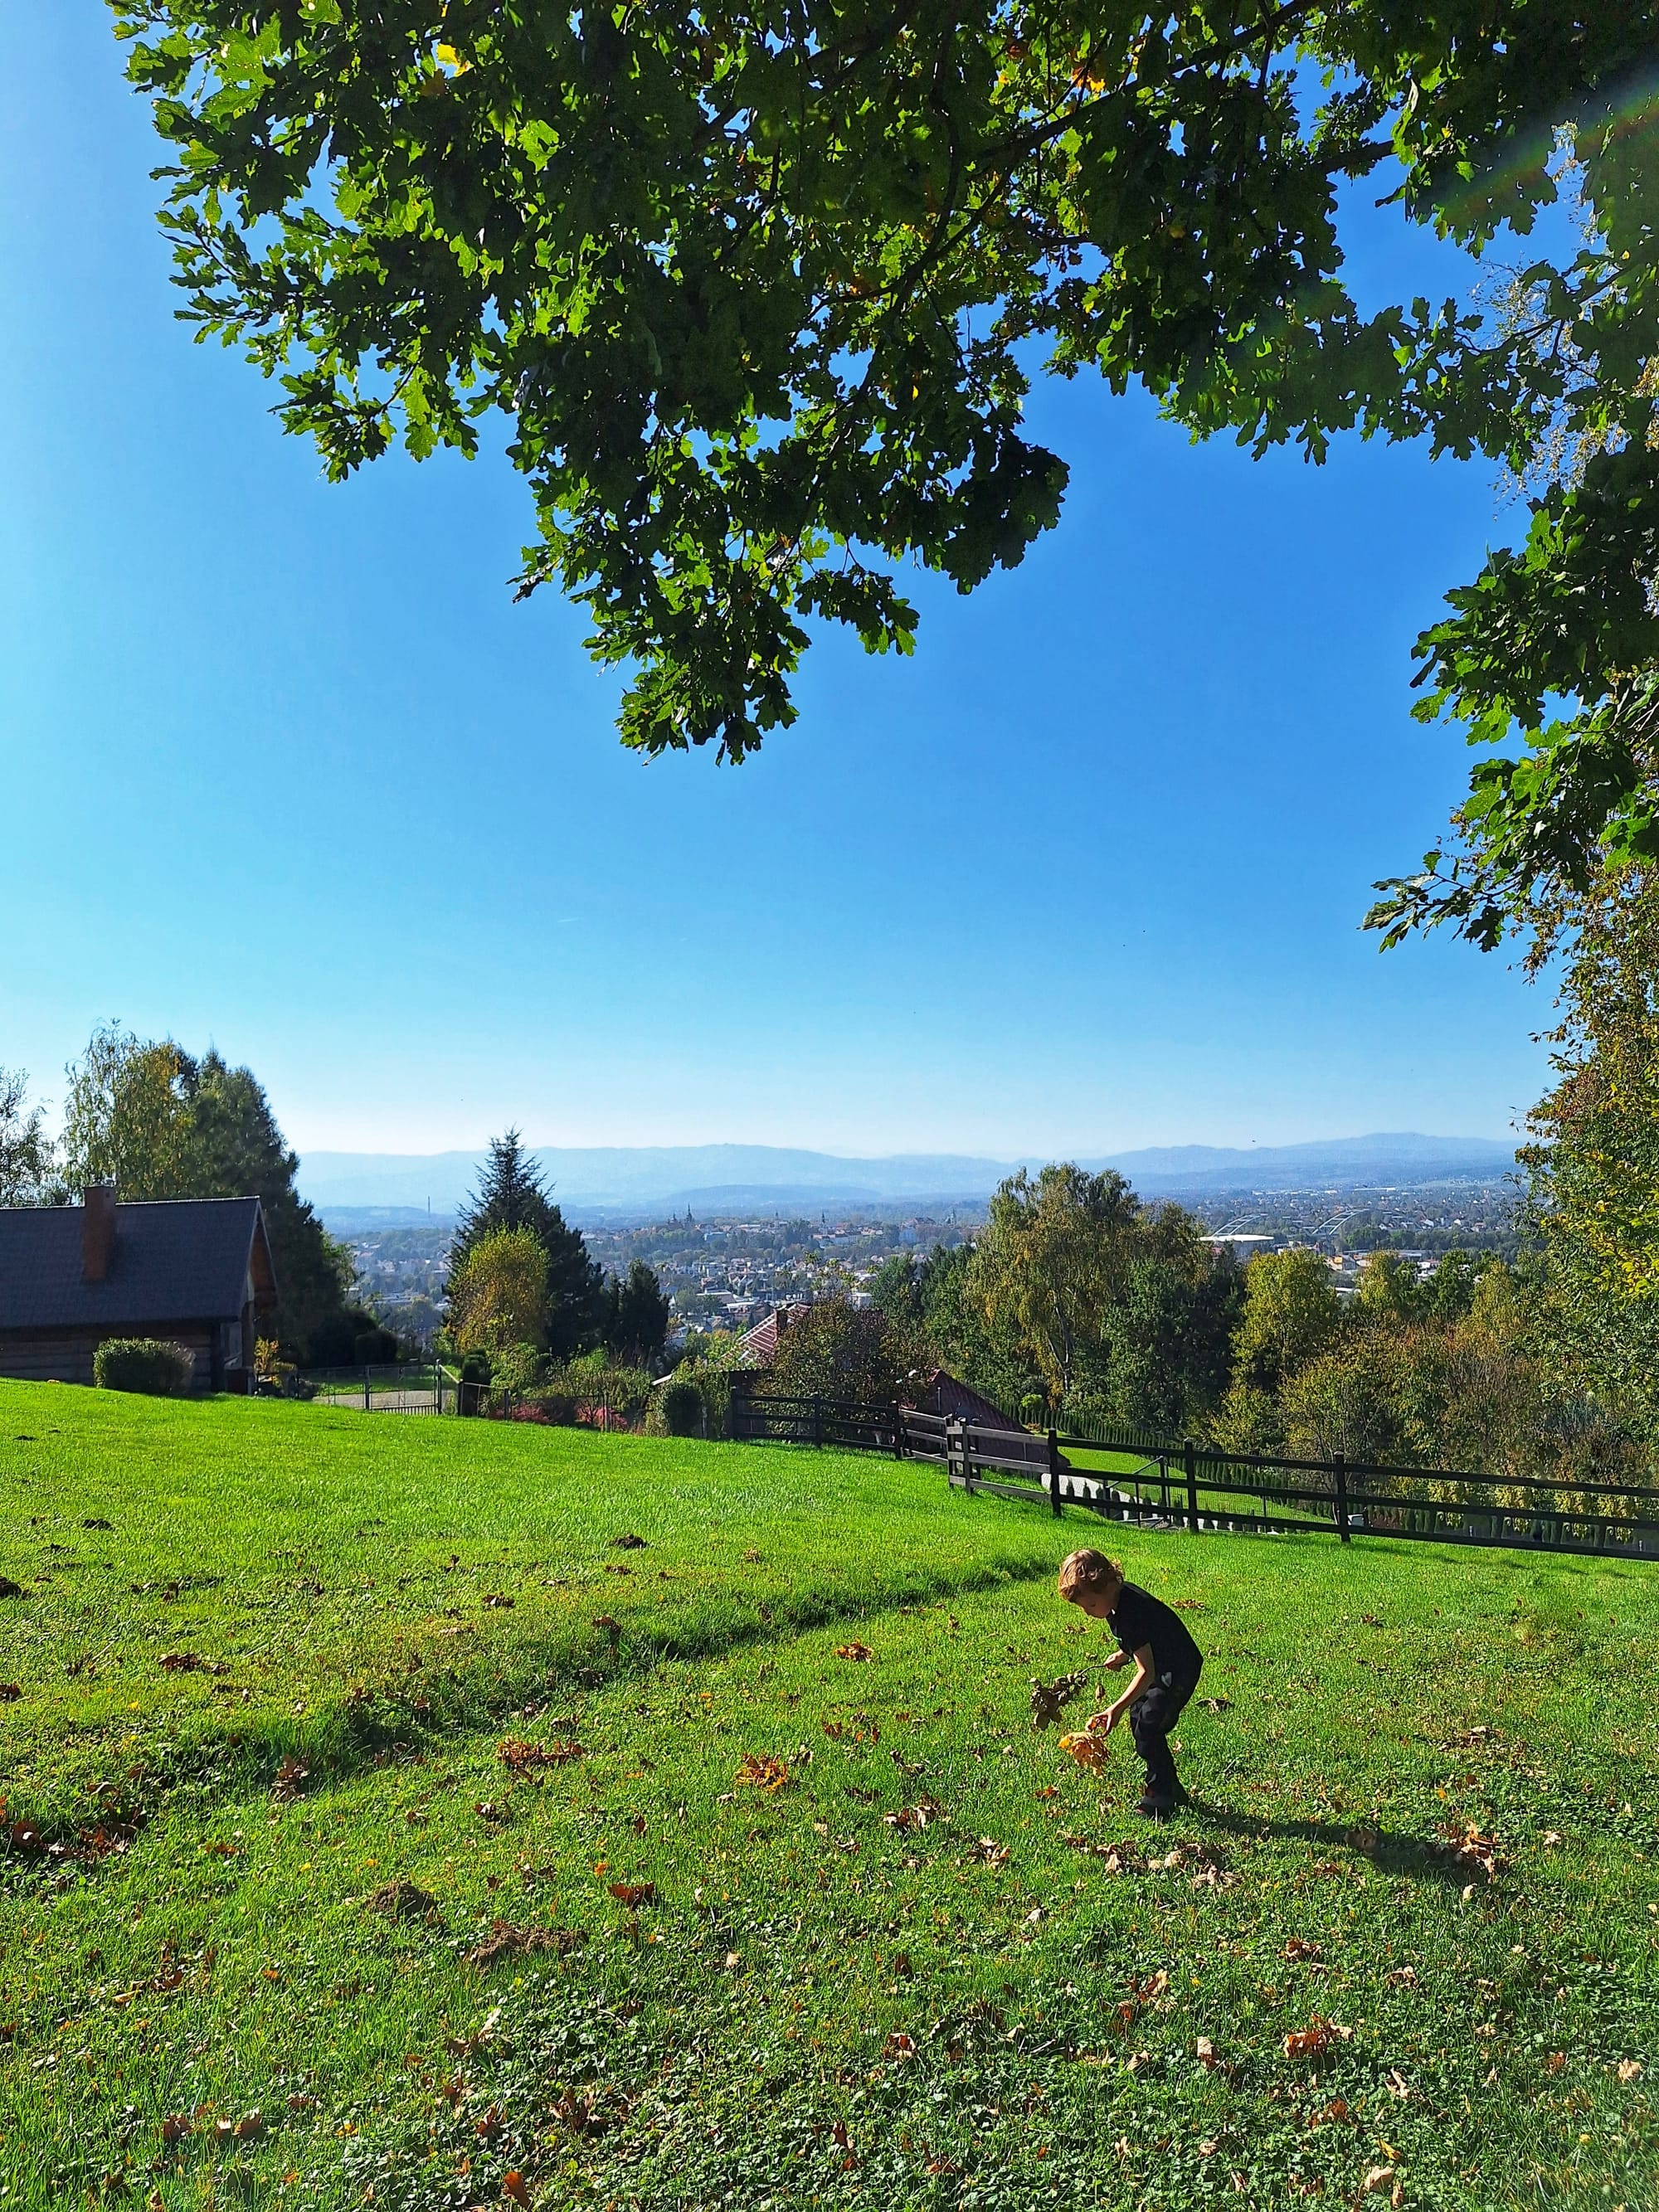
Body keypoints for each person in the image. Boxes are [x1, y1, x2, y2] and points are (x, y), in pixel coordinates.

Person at [1057, 1549, 1204, 1817]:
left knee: (1149, 1726)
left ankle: (1160, 1796)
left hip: (1179, 1669)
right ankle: (1170, 1785)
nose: (1088, 1614)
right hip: (1164, 1664)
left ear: (1107, 1582)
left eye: (1090, 1605)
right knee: (1141, 1719)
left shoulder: (1129, 1612)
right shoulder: (1118, 1601)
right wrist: (1125, 1654)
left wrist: (1115, 1708)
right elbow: (1147, 1637)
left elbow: (1146, 1672)